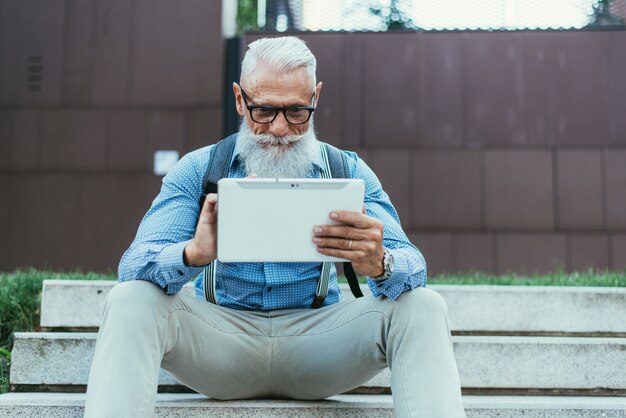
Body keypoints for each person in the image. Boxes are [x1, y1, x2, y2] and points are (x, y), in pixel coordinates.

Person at [84, 36, 466, 418]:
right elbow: (132, 267)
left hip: (320, 347)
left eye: (297, 111)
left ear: (316, 97)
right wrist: (192, 253)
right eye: (263, 110)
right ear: (239, 99)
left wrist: (381, 263)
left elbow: (413, 265)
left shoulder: (346, 170)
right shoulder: (199, 169)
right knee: (129, 300)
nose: (280, 128)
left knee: (424, 306)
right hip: (220, 346)